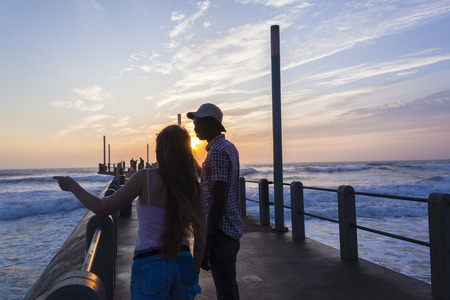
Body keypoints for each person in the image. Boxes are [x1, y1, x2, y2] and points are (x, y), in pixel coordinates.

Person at [54, 125, 206, 300]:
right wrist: (194, 270)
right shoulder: (194, 187)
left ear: (161, 150)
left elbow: (103, 209)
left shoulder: (145, 178)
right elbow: (201, 234)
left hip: (150, 264)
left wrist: (73, 187)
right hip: (183, 261)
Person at [187, 103, 243, 300]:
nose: (194, 128)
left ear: (211, 123)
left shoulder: (217, 152)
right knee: (228, 285)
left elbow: (218, 201)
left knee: (226, 290)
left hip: (221, 232)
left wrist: (207, 242)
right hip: (230, 229)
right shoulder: (228, 147)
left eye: (198, 123)